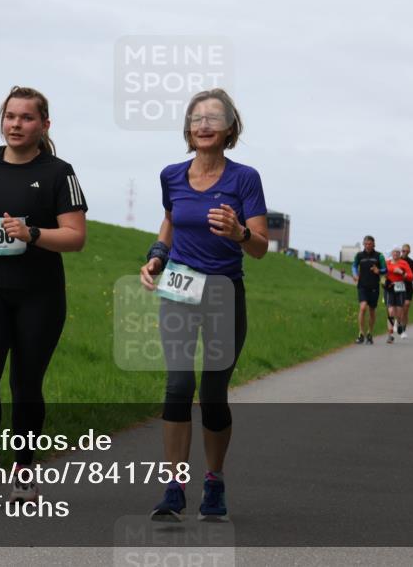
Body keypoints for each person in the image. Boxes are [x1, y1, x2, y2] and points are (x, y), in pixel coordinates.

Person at [0, 86, 88, 506]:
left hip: (39, 295)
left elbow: (76, 237)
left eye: (27, 117)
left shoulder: (59, 172)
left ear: (44, 124)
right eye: (10, 116)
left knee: (26, 384)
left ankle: (24, 469)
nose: (16, 124)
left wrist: (33, 234)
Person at [139, 88, 268, 523]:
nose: (204, 125)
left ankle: (214, 479)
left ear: (230, 128)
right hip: (179, 287)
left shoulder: (244, 178)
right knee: (178, 385)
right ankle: (174, 487)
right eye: (197, 118)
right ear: (188, 128)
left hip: (223, 292)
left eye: (214, 118)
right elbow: (171, 220)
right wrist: (157, 256)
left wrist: (239, 233)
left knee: (212, 394)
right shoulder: (171, 175)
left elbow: (260, 247)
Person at [351, 236, 387, 345]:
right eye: (366, 244)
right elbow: (354, 266)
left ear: (373, 244)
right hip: (362, 286)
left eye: (370, 244)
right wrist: (355, 274)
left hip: (374, 287)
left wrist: (378, 270)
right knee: (362, 308)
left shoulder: (379, 256)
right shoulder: (359, 255)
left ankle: (370, 333)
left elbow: (385, 270)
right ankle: (361, 334)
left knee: (372, 310)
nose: (368, 246)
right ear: (363, 244)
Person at [384, 248, 413, 343]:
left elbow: (411, 277)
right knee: (391, 311)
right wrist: (393, 270)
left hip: (400, 289)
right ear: (391, 253)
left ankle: (399, 323)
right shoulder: (387, 263)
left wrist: (402, 272)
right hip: (389, 289)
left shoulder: (404, 263)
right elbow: (383, 271)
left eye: (398, 252)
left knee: (399, 312)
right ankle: (390, 335)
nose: (396, 254)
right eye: (394, 252)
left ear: (400, 254)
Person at [399, 243, 413, 339]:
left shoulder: (412, 262)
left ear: (409, 252)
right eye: (403, 251)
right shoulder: (397, 260)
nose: (405, 252)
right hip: (397, 287)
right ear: (401, 251)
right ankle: (397, 322)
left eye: (407, 251)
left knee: (406, 307)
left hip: (408, 287)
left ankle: (403, 329)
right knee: (399, 309)